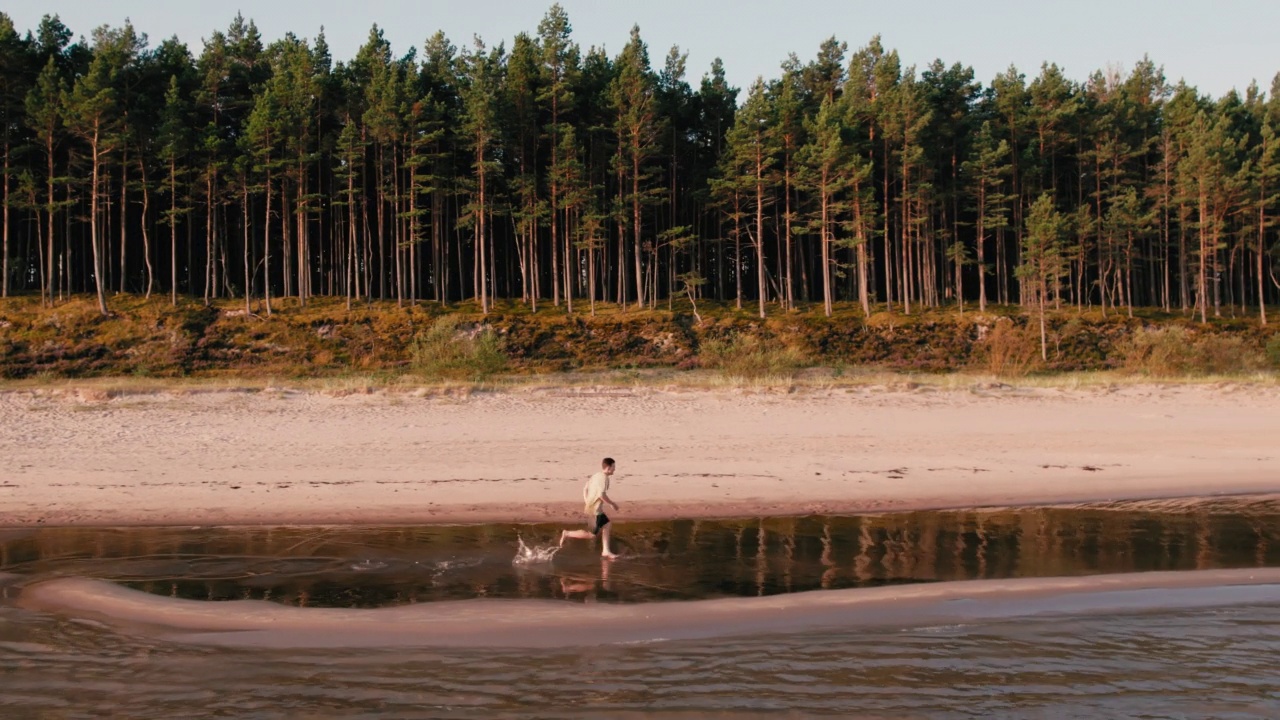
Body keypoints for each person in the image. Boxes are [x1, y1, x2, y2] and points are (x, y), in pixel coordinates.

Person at [559, 457, 620, 559]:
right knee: (591, 535)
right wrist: (612, 504)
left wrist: (587, 500)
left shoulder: (596, 475)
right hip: (594, 510)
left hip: (593, 508)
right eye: (614, 467)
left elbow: (585, 488)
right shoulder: (604, 478)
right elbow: (601, 495)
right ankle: (567, 533)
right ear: (609, 467)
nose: (614, 469)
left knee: (607, 525)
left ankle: (606, 551)